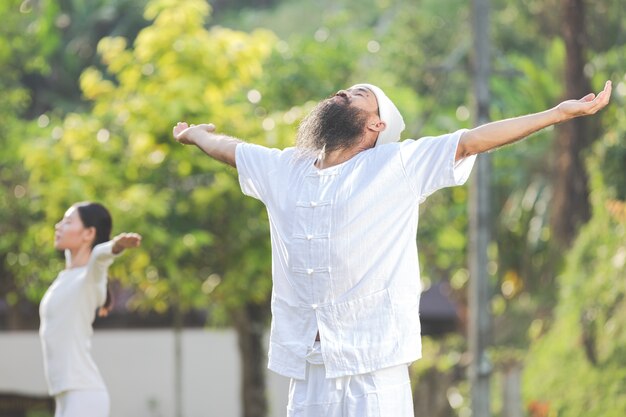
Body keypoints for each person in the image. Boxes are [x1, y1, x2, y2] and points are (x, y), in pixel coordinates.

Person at [173, 80, 612, 417]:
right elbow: (234, 150)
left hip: (372, 364)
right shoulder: (286, 167)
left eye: (359, 94)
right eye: (344, 90)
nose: (343, 92)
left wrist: (556, 114)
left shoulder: (396, 165)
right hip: (309, 366)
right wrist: (195, 136)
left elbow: (472, 139)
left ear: (376, 124)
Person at [39, 202, 142, 417]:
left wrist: (116, 246)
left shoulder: (90, 278)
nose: (58, 226)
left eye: (67, 222)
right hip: (64, 395)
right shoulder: (64, 279)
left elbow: (98, 258)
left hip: (83, 394)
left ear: (89, 233)